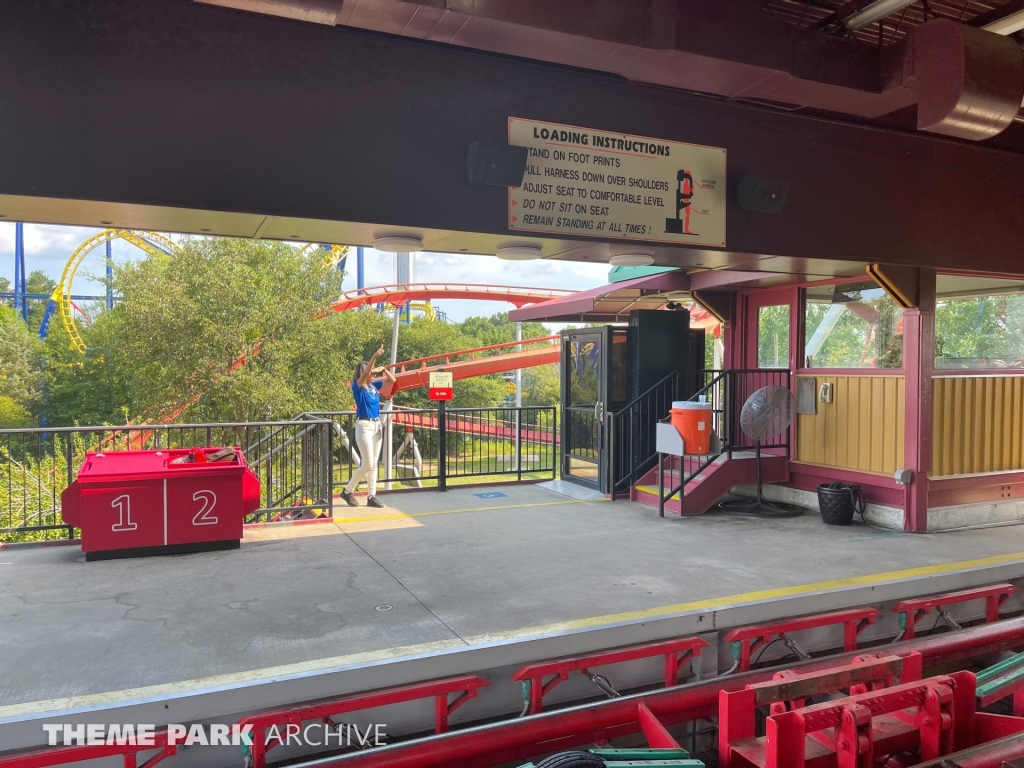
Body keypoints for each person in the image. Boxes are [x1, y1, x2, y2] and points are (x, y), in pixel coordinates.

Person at [340, 345, 396, 508]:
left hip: (376, 425)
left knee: (373, 463)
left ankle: (372, 496)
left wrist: (384, 369)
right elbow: (364, 374)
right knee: (368, 464)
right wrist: (374, 357)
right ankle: (347, 491)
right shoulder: (357, 387)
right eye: (371, 372)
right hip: (364, 425)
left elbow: (392, 381)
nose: (373, 374)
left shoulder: (374, 387)